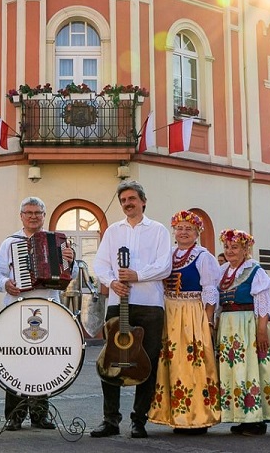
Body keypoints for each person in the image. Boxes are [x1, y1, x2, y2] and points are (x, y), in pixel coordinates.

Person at [89, 180, 172, 439]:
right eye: (123, 200)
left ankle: (139, 420)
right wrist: (112, 281)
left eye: (132, 199)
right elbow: (100, 264)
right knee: (110, 360)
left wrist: (137, 275)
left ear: (143, 201)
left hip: (149, 305)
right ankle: (110, 419)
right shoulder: (113, 231)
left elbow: (164, 266)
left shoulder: (158, 230)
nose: (127, 204)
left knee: (146, 362)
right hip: (117, 303)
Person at [0, 196, 76, 431]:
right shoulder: (10, 243)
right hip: (17, 306)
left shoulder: (57, 241)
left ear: (44, 215)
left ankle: (40, 415)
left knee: (43, 360)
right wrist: (6, 283)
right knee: (16, 361)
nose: (33, 216)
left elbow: (71, 273)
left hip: (49, 306)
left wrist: (71, 260)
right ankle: (14, 416)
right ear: (21, 216)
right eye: (29, 213)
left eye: (37, 213)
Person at [148, 210, 221, 434]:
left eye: (188, 228)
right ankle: (175, 416)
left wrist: (207, 321)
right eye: (179, 228)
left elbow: (210, 290)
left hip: (192, 313)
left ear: (197, 232)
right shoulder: (167, 255)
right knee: (171, 364)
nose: (183, 232)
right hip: (170, 312)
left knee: (193, 365)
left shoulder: (203, 256)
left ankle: (197, 417)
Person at [214, 229, 270, 435]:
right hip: (228, 325)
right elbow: (218, 304)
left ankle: (256, 419)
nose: (230, 251)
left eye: (235, 247)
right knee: (234, 370)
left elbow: (262, 303)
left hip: (248, 324)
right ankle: (242, 417)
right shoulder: (223, 271)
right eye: (227, 247)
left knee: (251, 368)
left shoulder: (255, 270)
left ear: (246, 249)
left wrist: (261, 331)